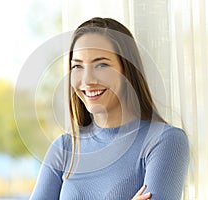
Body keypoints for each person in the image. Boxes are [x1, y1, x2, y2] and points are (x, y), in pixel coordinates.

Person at [30, 17, 189, 200]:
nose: (88, 80)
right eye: (77, 66)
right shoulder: (64, 149)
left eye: (102, 65)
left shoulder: (164, 141)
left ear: (126, 70)